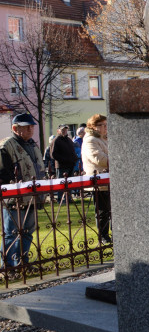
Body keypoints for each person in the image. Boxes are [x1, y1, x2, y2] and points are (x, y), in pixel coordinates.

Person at [0, 114, 45, 268]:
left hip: (32, 196)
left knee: (27, 232)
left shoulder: (33, 145)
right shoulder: (6, 145)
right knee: (11, 233)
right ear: (15, 128)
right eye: (26, 127)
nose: (30, 129)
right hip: (14, 198)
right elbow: (2, 173)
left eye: (32, 126)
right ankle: (8, 266)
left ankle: (23, 262)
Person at [81, 114, 111, 245]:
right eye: (101, 125)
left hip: (108, 179)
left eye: (106, 124)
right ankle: (103, 236)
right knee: (102, 211)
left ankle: (113, 235)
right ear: (93, 126)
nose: (105, 127)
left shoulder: (103, 138)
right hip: (98, 180)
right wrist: (119, 160)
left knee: (111, 210)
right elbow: (99, 159)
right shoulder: (91, 140)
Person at [50, 125, 78, 201]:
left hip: (71, 164)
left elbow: (72, 151)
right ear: (58, 131)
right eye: (62, 130)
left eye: (66, 130)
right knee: (61, 183)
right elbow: (53, 154)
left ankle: (68, 198)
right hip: (62, 166)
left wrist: (74, 158)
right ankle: (61, 199)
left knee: (69, 183)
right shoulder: (56, 140)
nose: (64, 131)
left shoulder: (69, 140)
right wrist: (64, 159)